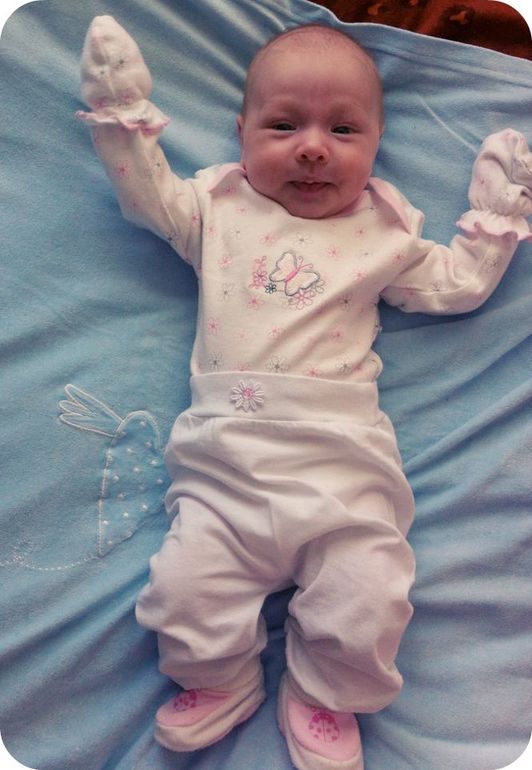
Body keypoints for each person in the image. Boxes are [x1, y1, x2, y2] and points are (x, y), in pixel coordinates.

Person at [76, 15, 532, 770]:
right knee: (184, 592)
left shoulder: (385, 233)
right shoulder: (218, 210)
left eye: (343, 130)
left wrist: (496, 218)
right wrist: (120, 113)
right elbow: (146, 198)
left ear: (377, 144)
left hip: (343, 473)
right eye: (284, 125)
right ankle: (220, 680)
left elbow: (455, 285)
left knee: (368, 596)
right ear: (242, 133)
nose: (313, 148)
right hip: (225, 472)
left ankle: (326, 691)